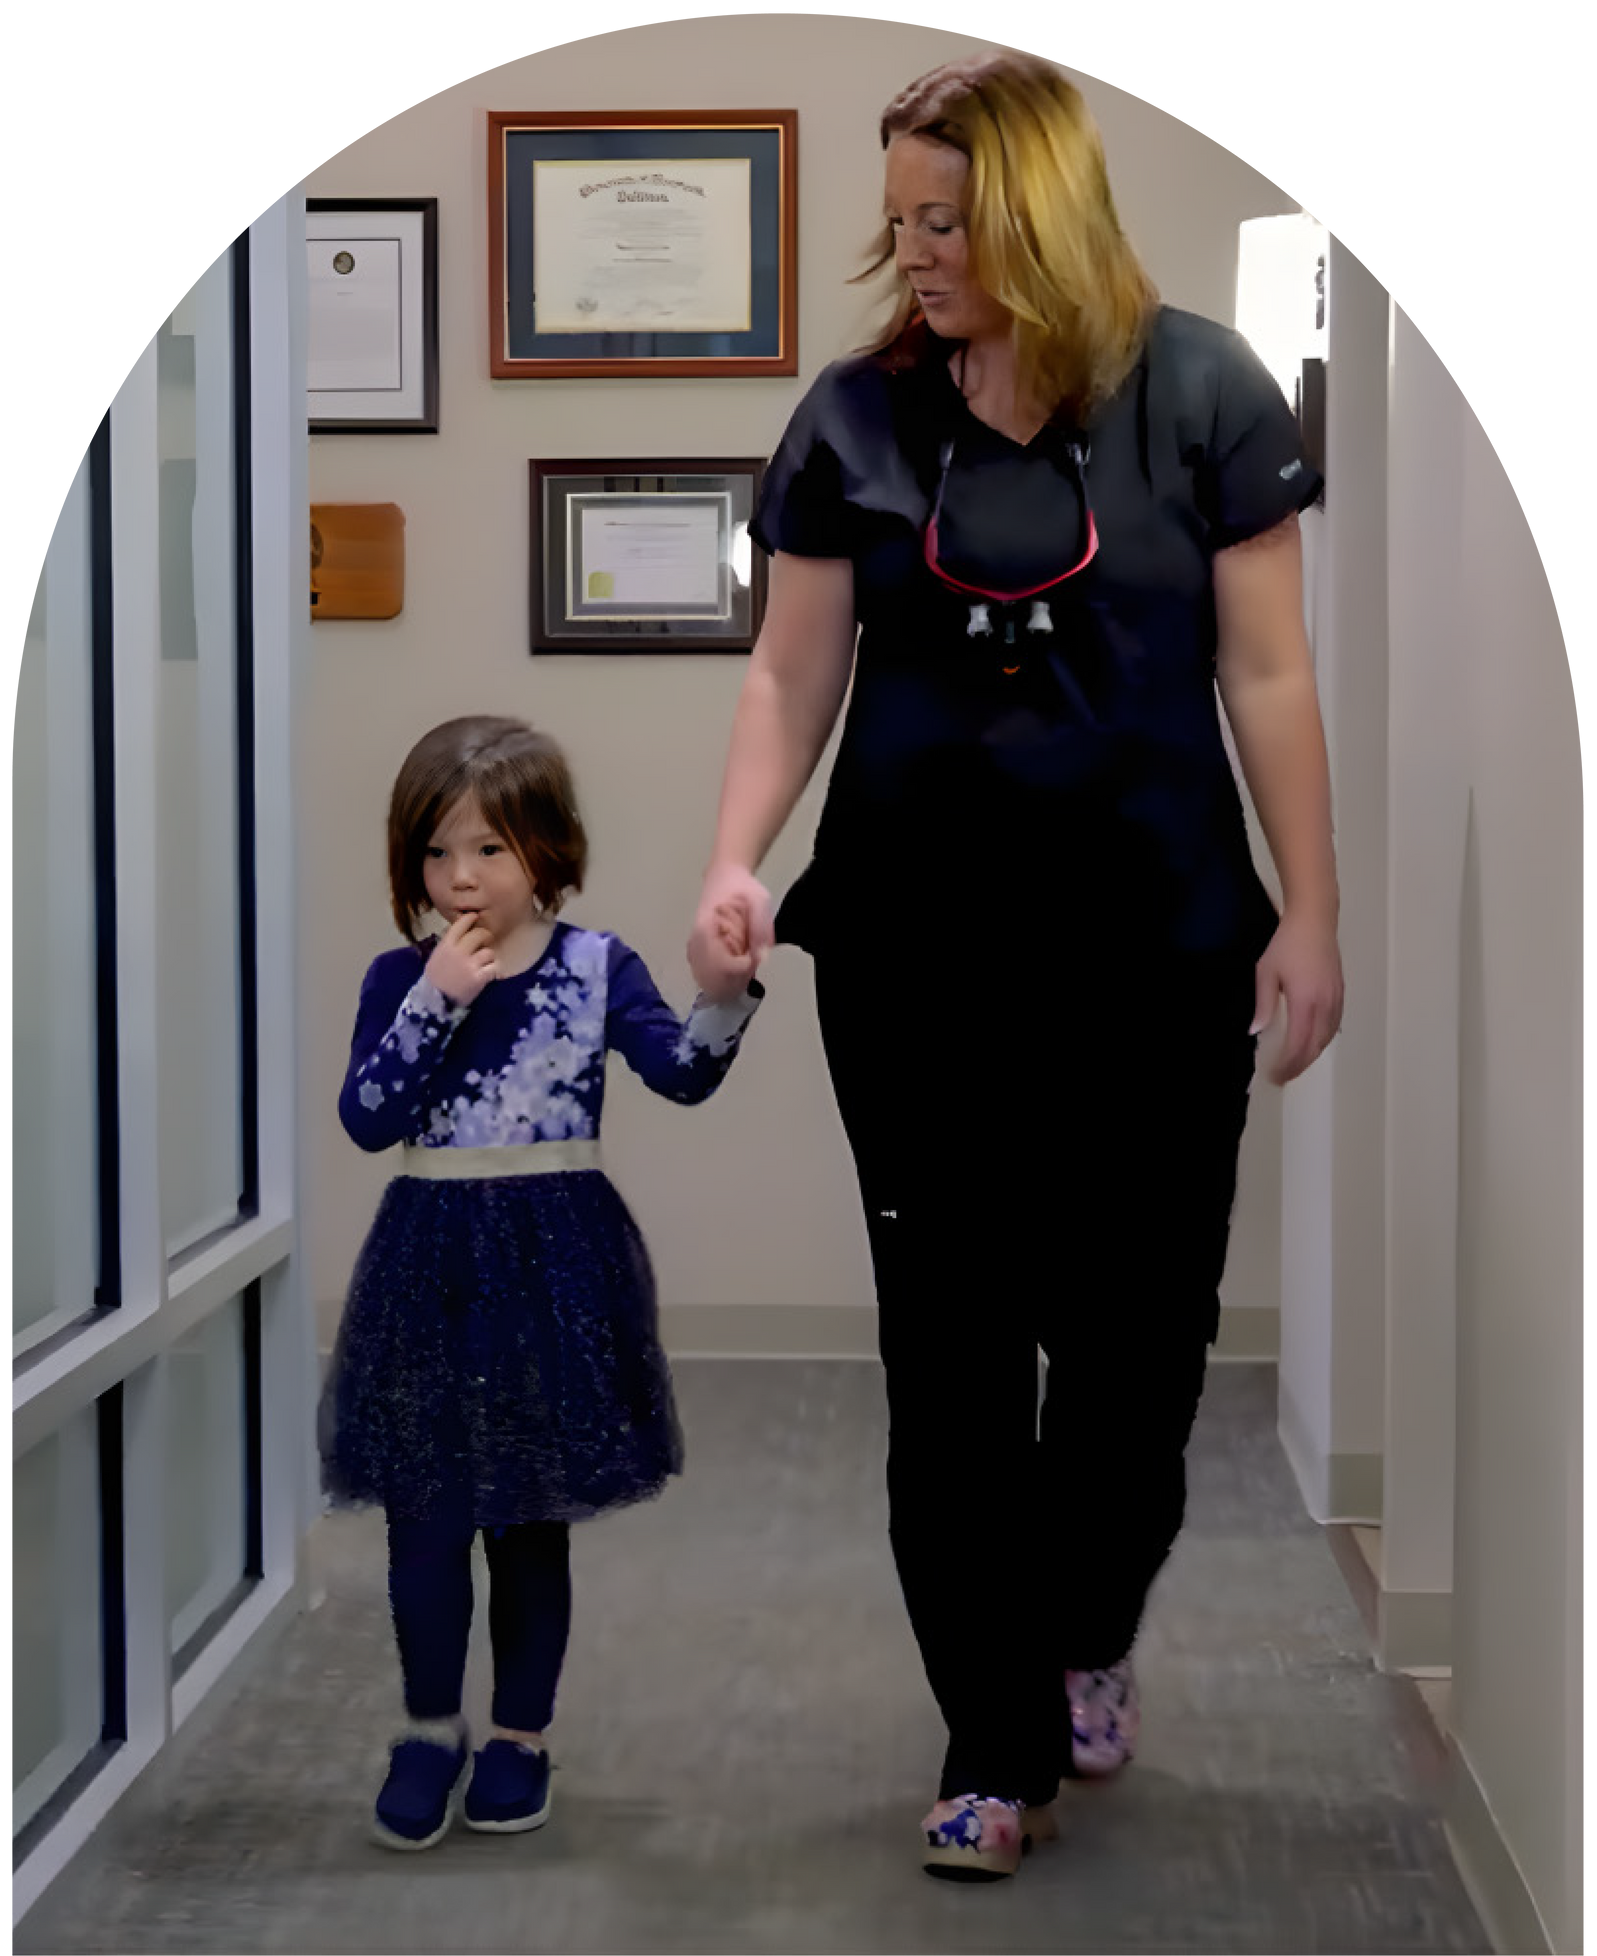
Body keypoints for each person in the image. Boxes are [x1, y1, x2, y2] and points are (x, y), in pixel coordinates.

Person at [688, 52, 1343, 1882]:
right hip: (918, 968)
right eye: (900, 218)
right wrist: (734, 855)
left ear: (1043, 214)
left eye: (949, 220)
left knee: (1137, 1360)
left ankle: (1084, 1627)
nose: (915, 251)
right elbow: (790, 671)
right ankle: (995, 1743)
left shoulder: (1201, 394)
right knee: (955, 1363)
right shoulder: (855, 418)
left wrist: (1311, 907)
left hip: (1157, 956)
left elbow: (1267, 672)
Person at [320, 714, 762, 1851]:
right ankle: (429, 1730)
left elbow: (682, 1074)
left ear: (546, 848)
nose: (459, 878)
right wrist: (436, 998)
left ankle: (519, 1737)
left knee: (528, 1519)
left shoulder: (596, 967)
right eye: (436, 852)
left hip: (553, 1265)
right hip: (428, 1266)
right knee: (423, 1523)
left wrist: (724, 991)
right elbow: (367, 1117)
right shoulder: (400, 976)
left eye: (488, 849)